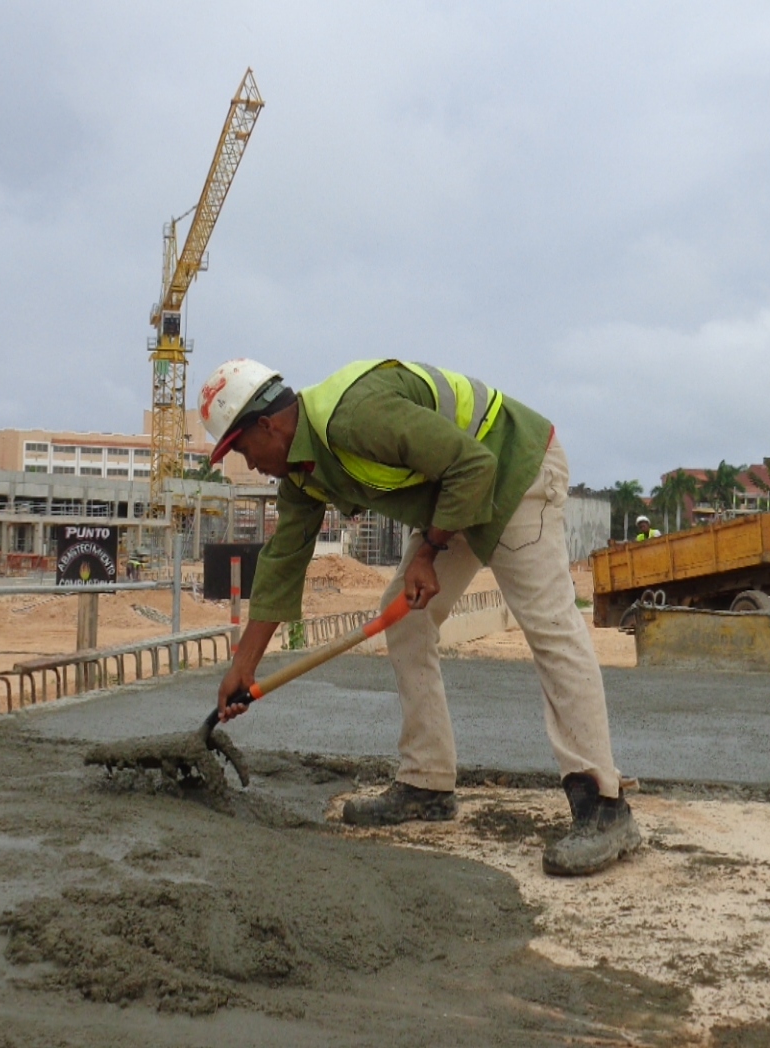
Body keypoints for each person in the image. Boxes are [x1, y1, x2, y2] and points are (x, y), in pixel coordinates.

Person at [203, 357, 640, 876]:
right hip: (456, 495)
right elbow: (282, 563)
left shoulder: (355, 418)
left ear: (267, 425)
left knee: (549, 624)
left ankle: (604, 805)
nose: (249, 464)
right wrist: (244, 667)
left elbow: (474, 465)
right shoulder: (302, 474)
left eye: (243, 450)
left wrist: (428, 554)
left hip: (511, 470)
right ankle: (427, 782)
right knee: (406, 618)